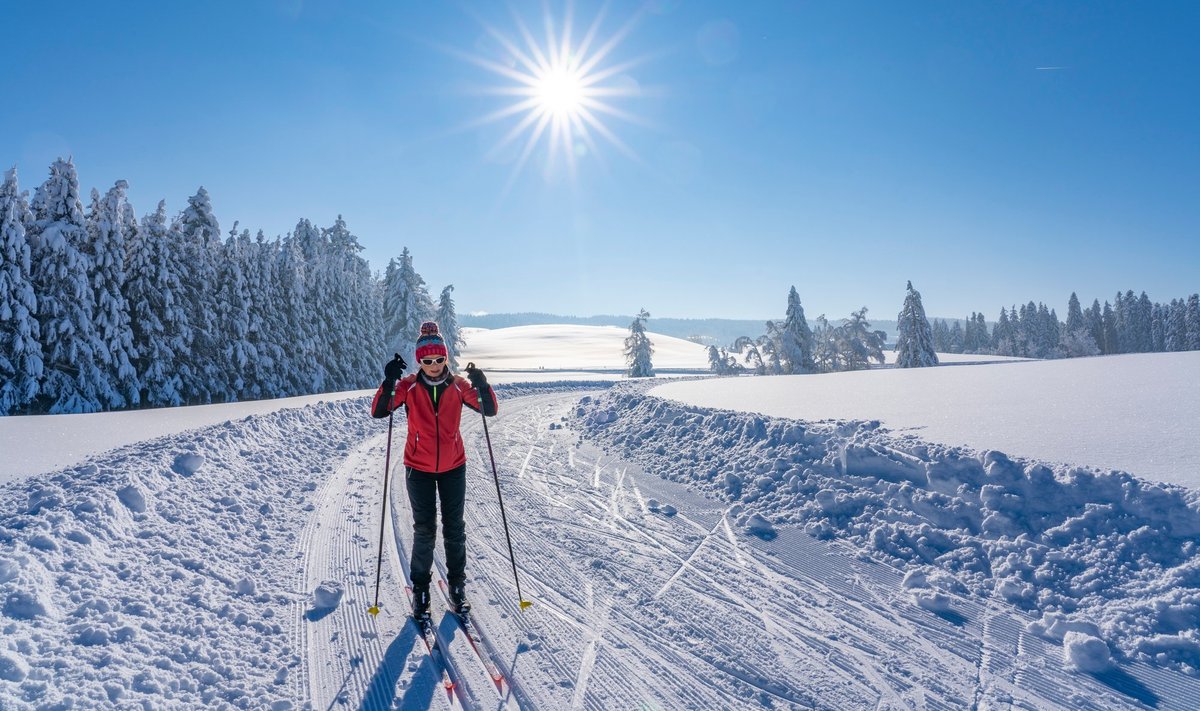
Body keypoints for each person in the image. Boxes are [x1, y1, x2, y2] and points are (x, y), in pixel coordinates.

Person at [371, 321, 498, 620]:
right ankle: (421, 590)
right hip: (419, 469)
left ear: (446, 357)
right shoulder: (409, 386)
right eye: (427, 361)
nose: (433, 365)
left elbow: (489, 409)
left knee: (455, 528)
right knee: (425, 529)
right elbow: (379, 410)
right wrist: (388, 381)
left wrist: (482, 384)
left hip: (454, 466)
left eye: (439, 359)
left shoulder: (458, 385)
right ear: (419, 361)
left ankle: (457, 587)